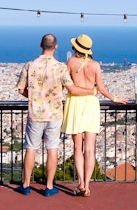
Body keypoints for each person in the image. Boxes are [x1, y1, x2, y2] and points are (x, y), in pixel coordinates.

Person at [16, 34, 96, 197]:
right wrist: (92, 91)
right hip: (54, 114)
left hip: (35, 113)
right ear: (56, 47)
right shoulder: (60, 67)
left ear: (40, 45)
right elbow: (72, 89)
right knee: (52, 149)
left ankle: (26, 185)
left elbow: (21, 89)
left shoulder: (30, 65)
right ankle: (49, 186)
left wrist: (35, 97)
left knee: (31, 149)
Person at [62, 34, 128, 197]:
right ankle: (87, 185)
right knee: (90, 148)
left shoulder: (71, 62)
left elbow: (65, 84)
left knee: (77, 147)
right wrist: (115, 98)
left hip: (75, 102)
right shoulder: (96, 65)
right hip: (91, 104)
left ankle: (80, 183)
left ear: (76, 48)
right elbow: (101, 88)